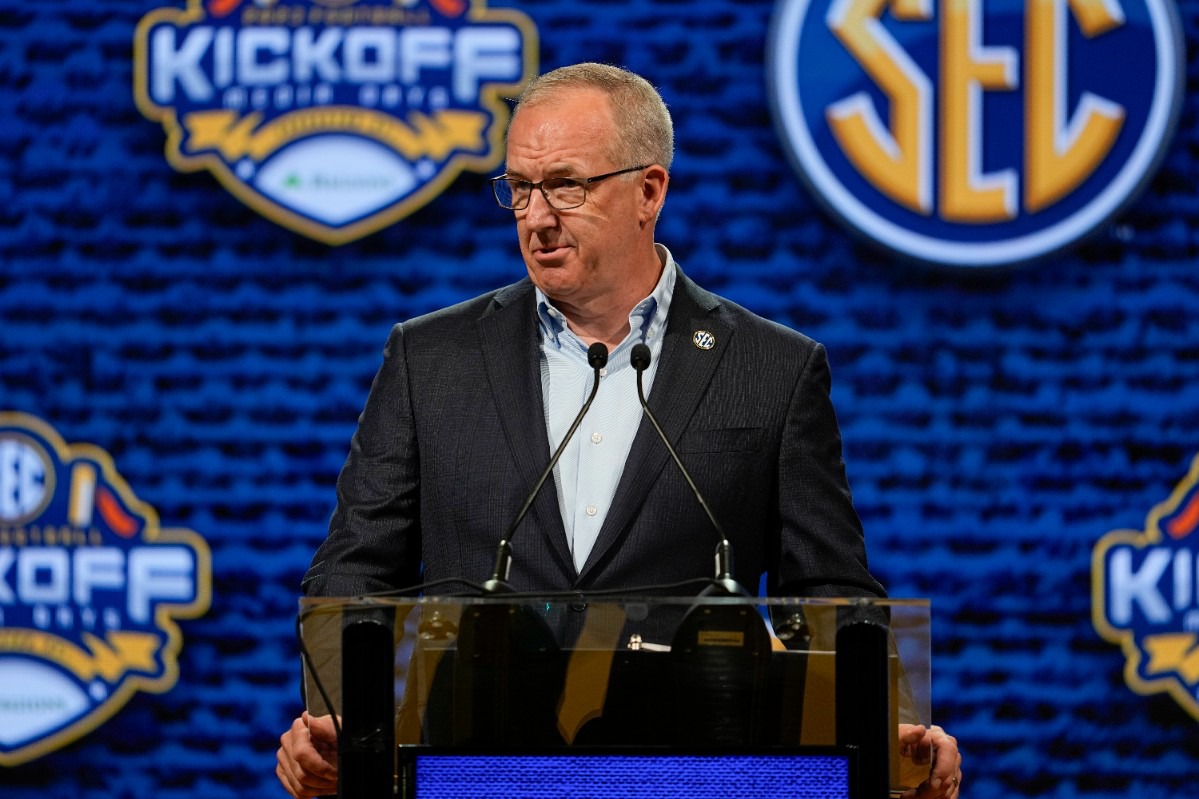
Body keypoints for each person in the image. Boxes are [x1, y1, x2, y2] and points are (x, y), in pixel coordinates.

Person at [276, 63, 962, 799]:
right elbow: (350, 576)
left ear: (648, 190)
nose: (535, 217)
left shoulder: (770, 369)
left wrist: (883, 723)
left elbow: (827, 591)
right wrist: (336, 717)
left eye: (566, 185)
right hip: (468, 774)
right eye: (519, 188)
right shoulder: (430, 359)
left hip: (695, 778)